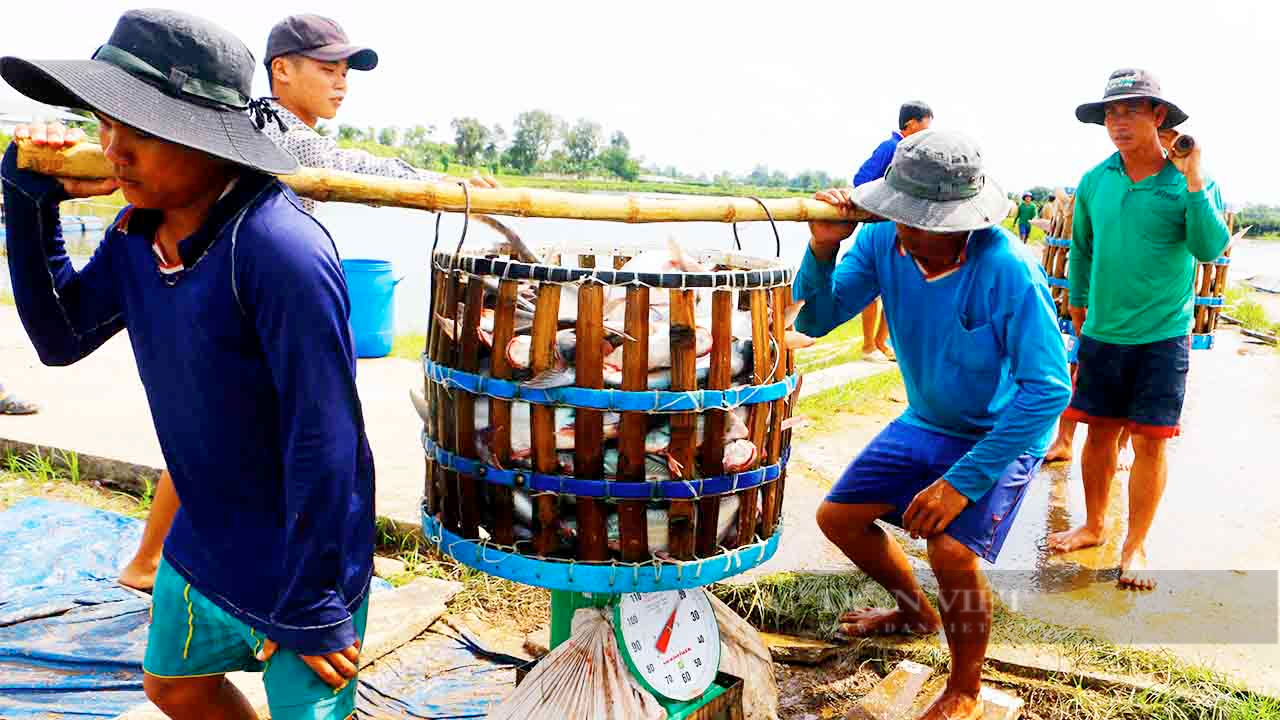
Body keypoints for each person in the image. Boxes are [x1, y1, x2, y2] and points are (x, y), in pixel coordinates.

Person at [2, 10, 375, 718]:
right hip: (204, 531)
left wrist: (312, 601)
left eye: (138, 130)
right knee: (172, 686)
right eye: (104, 123)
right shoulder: (140, 230)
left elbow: (325, 437)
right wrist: (27, 208)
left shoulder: (278, 251)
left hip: (298, 547)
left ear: (209, 137)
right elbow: (61, 337)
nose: (112, 150)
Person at [115, 13, 498, 594]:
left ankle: (164, 559)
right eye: (327, 69)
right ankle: (203, 566)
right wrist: (443, 187)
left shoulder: (284, 129)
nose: (340, 83)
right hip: (238, 302)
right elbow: (353, 167)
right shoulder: (264, 124)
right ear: (282, 71)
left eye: (346, 72)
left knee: (218, 436)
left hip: (243, 297)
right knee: (259, 436)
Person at [799, 130, 1071, 720]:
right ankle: (914, 612)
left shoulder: (1009, 270)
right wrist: (823, 249)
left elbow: (1048, 390)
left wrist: (961, 483)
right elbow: (817, 319)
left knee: (949, 547)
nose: (910, 232)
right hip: (926, 420)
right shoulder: (878, 242)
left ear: (967, 220)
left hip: (1001, 431)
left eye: (929, 223)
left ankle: (965, 687)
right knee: (837, 517)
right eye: (903, 216)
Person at [1045, 69, 1229, 591]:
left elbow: (1210, 248)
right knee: (1098, 433)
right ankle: (1094, 524)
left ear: (1158, 116)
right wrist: (1079, 308)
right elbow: (1081, 249)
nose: (1118, 122)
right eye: (1110, 112)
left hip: (1162, 336)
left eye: (1130, 111)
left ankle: (1136, 545)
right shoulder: (1096, 180)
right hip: (1103, 332)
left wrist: (1193, 179)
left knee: (1150, 443)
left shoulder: (1188, 182)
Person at [849, 100, 933, 363]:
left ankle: (881, 342)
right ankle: (867, 346)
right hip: (881, 226)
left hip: (902, 227)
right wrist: (884, 199)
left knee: (895, 284)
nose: (926, 136)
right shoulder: (890, 148)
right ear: (908, 126)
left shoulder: (914, 154)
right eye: (923, 129)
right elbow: (860, 181)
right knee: (873, 288)